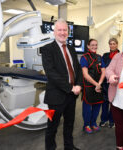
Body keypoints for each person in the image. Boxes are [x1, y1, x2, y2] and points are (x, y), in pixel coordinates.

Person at [41, 18, 82, 150]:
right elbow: (51, 74)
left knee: (69, 124)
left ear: (68, 32)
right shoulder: (47, 49)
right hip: (56, 97)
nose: (62, 32)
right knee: (52, 127)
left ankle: (69, 146)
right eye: (60, 30)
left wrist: (79, 85)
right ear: (54, 31)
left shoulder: (71, 48)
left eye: (65, 30)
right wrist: (70, 88)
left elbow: (78, 69)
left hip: (71, 96)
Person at [80, 39, 106, 134]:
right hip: (88, 86)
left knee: (97, 105)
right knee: (87, 107)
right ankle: (86, 124)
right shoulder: (84, 58)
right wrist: (96, 84)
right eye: (92, 45)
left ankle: (93, 123)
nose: (94, 46)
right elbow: (85, 75)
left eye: (96, 45)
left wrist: (99, 83)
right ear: (88, 46)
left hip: (98, 86)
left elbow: (104, 71)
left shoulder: (100, 57)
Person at [99, 38, 120, 128]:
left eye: (114, 43)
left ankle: (112, 120)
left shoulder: (121, 55)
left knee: (113, 103)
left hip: (115, 83)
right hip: (105, 83)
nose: (112, 45)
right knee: (105, 103)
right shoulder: (105, 55)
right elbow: (103, 68)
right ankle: (103, 120)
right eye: (110, 44)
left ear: (117, 44)